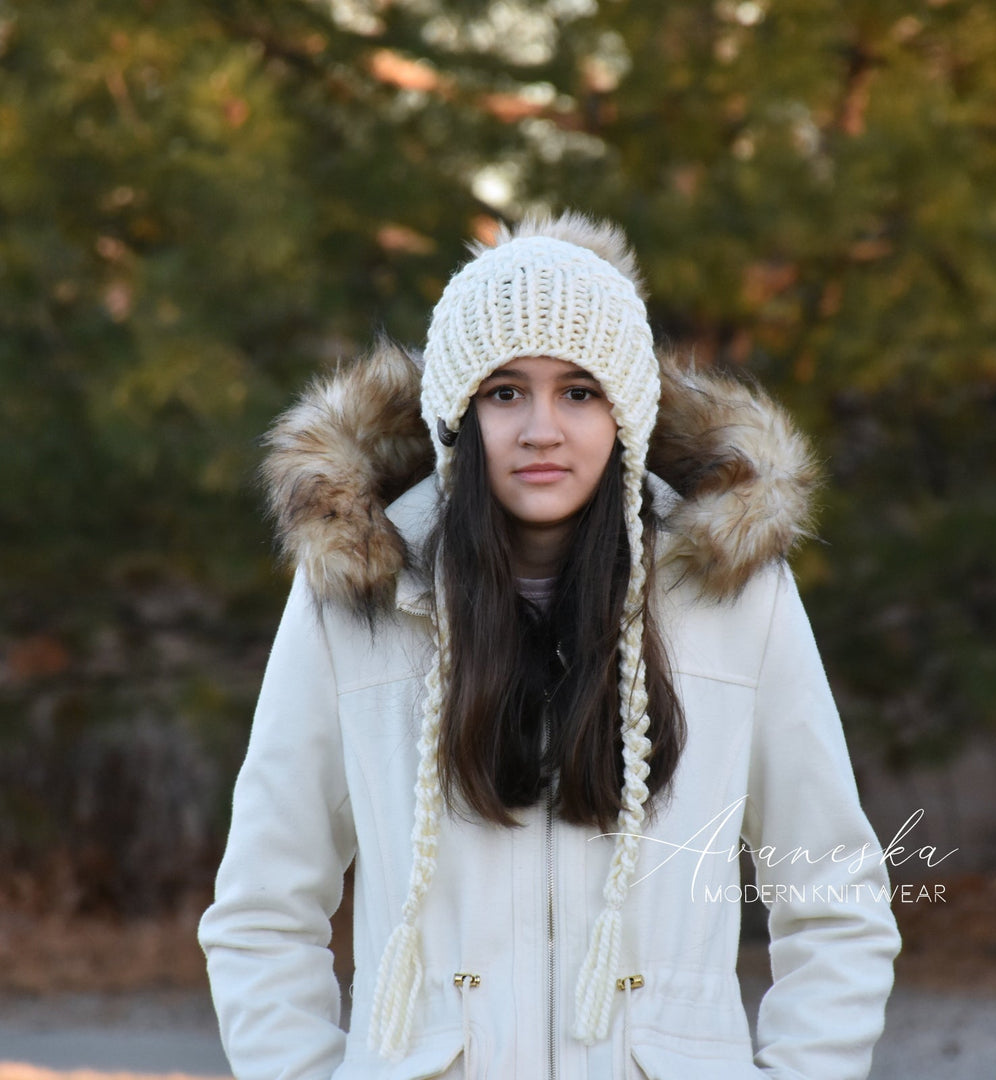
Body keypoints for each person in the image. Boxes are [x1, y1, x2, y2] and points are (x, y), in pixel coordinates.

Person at [198, 211, 901, 1080]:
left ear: (626, 412)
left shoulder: (734, 593)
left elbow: (833, 894)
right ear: (458, 415)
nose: (541, 428)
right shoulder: (357, 593)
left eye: (578, 391)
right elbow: (264, 908)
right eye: (504, 392)